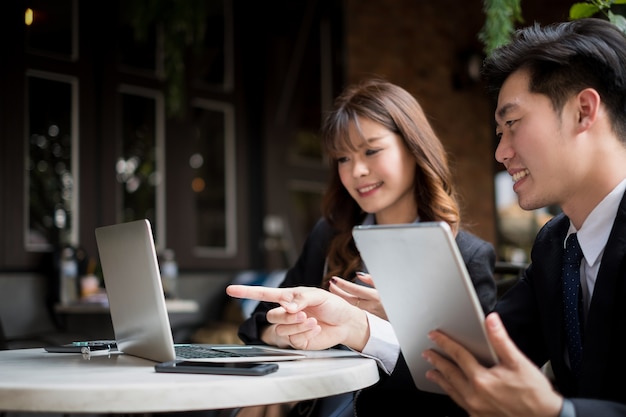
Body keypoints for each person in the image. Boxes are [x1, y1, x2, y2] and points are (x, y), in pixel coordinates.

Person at [234, 78, 497, 417]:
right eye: (343, 158)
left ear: (414, 149)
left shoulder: (466, 255)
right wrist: (288, 332)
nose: (357, 170)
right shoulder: (330, 235)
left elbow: (465, 389)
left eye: (371, 150)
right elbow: (257, 326)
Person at [420, 17, 626, 416]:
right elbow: (486, 354)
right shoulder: (556, 246)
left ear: (584, 111)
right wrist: (370, 328)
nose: (501, 153)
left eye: (512, 124)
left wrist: (555, 412)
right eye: (499, 133)